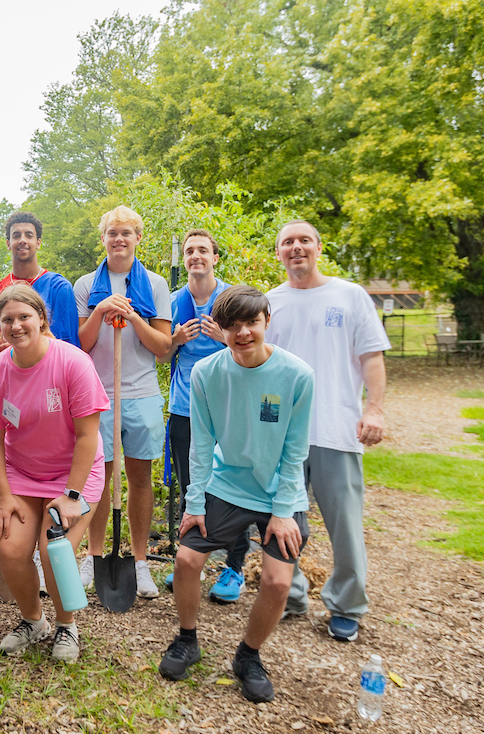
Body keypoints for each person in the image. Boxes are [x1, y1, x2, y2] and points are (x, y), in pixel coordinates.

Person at [157, 286, 314, 705]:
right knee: (187, 559)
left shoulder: (297, 375)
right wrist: (194, 503)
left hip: (281, 490)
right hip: (226, 483)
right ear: (221, 329)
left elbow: (296, 450)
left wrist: (282, 513)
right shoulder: (206, 372)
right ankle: (187, 639)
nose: (243, 333)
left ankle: (248, 656)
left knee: (278, 581)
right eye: (233, 325)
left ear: (266, 322)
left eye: (252, 323)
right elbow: (202, 444)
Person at [267, 220, 389, 643]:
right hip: (283, 433)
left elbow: (371, 357)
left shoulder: (349, 295)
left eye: (304, 241)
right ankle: (292, 593)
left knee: (345, 524)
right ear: (278, 253)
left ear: (318, 247)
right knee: (283, 519)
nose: (296, 248)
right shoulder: (271, 302)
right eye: (288, 243)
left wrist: (373, 409)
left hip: (335, 429)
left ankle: (347, 604)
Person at [0, 285, 107, 664]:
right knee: (12, 549)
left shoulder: (72, 362)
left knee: (55, 553)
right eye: (7, 320)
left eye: (24, 317)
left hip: (74, 475)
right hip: (23, 474)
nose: (16, 326)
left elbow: (87, 436)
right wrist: (3, 494)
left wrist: (71, 496)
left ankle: (67, 625)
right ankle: (33, 621)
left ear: (42, 320)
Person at [73, 206, 171, 598]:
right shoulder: (85, 285)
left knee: (139, 478)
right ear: (103, 239)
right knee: (98, 480)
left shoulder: (156, 284)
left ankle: (141, 561)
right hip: (98, 394)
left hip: (142, 393)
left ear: (137, 238)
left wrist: (133, 317)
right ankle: (94, 558)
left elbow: (163, 347)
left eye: (126, 233)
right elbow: (81, 343)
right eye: (112, 233)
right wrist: (100, 309)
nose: (119, 239)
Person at [159, 230, 243, 602]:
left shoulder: (231, 298)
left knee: (235, 487)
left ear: (215, 257)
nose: (196, 256)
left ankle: (234, 569)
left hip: (227, 407)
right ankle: (190, 565)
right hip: (185, 407)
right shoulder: (174, 301)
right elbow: (160, 357)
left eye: (203, 251)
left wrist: (224, 338)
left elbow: (252, 347)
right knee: (193, 487)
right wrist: (174, 341)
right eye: (190, 251)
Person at [0, 212, 80, 358]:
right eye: (16, 236)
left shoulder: (58, 287)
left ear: (38, 243)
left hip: (50, 372)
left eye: (29, 235)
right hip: (8, 373)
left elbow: (69, 346)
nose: (22, 240)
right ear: (8, 244)